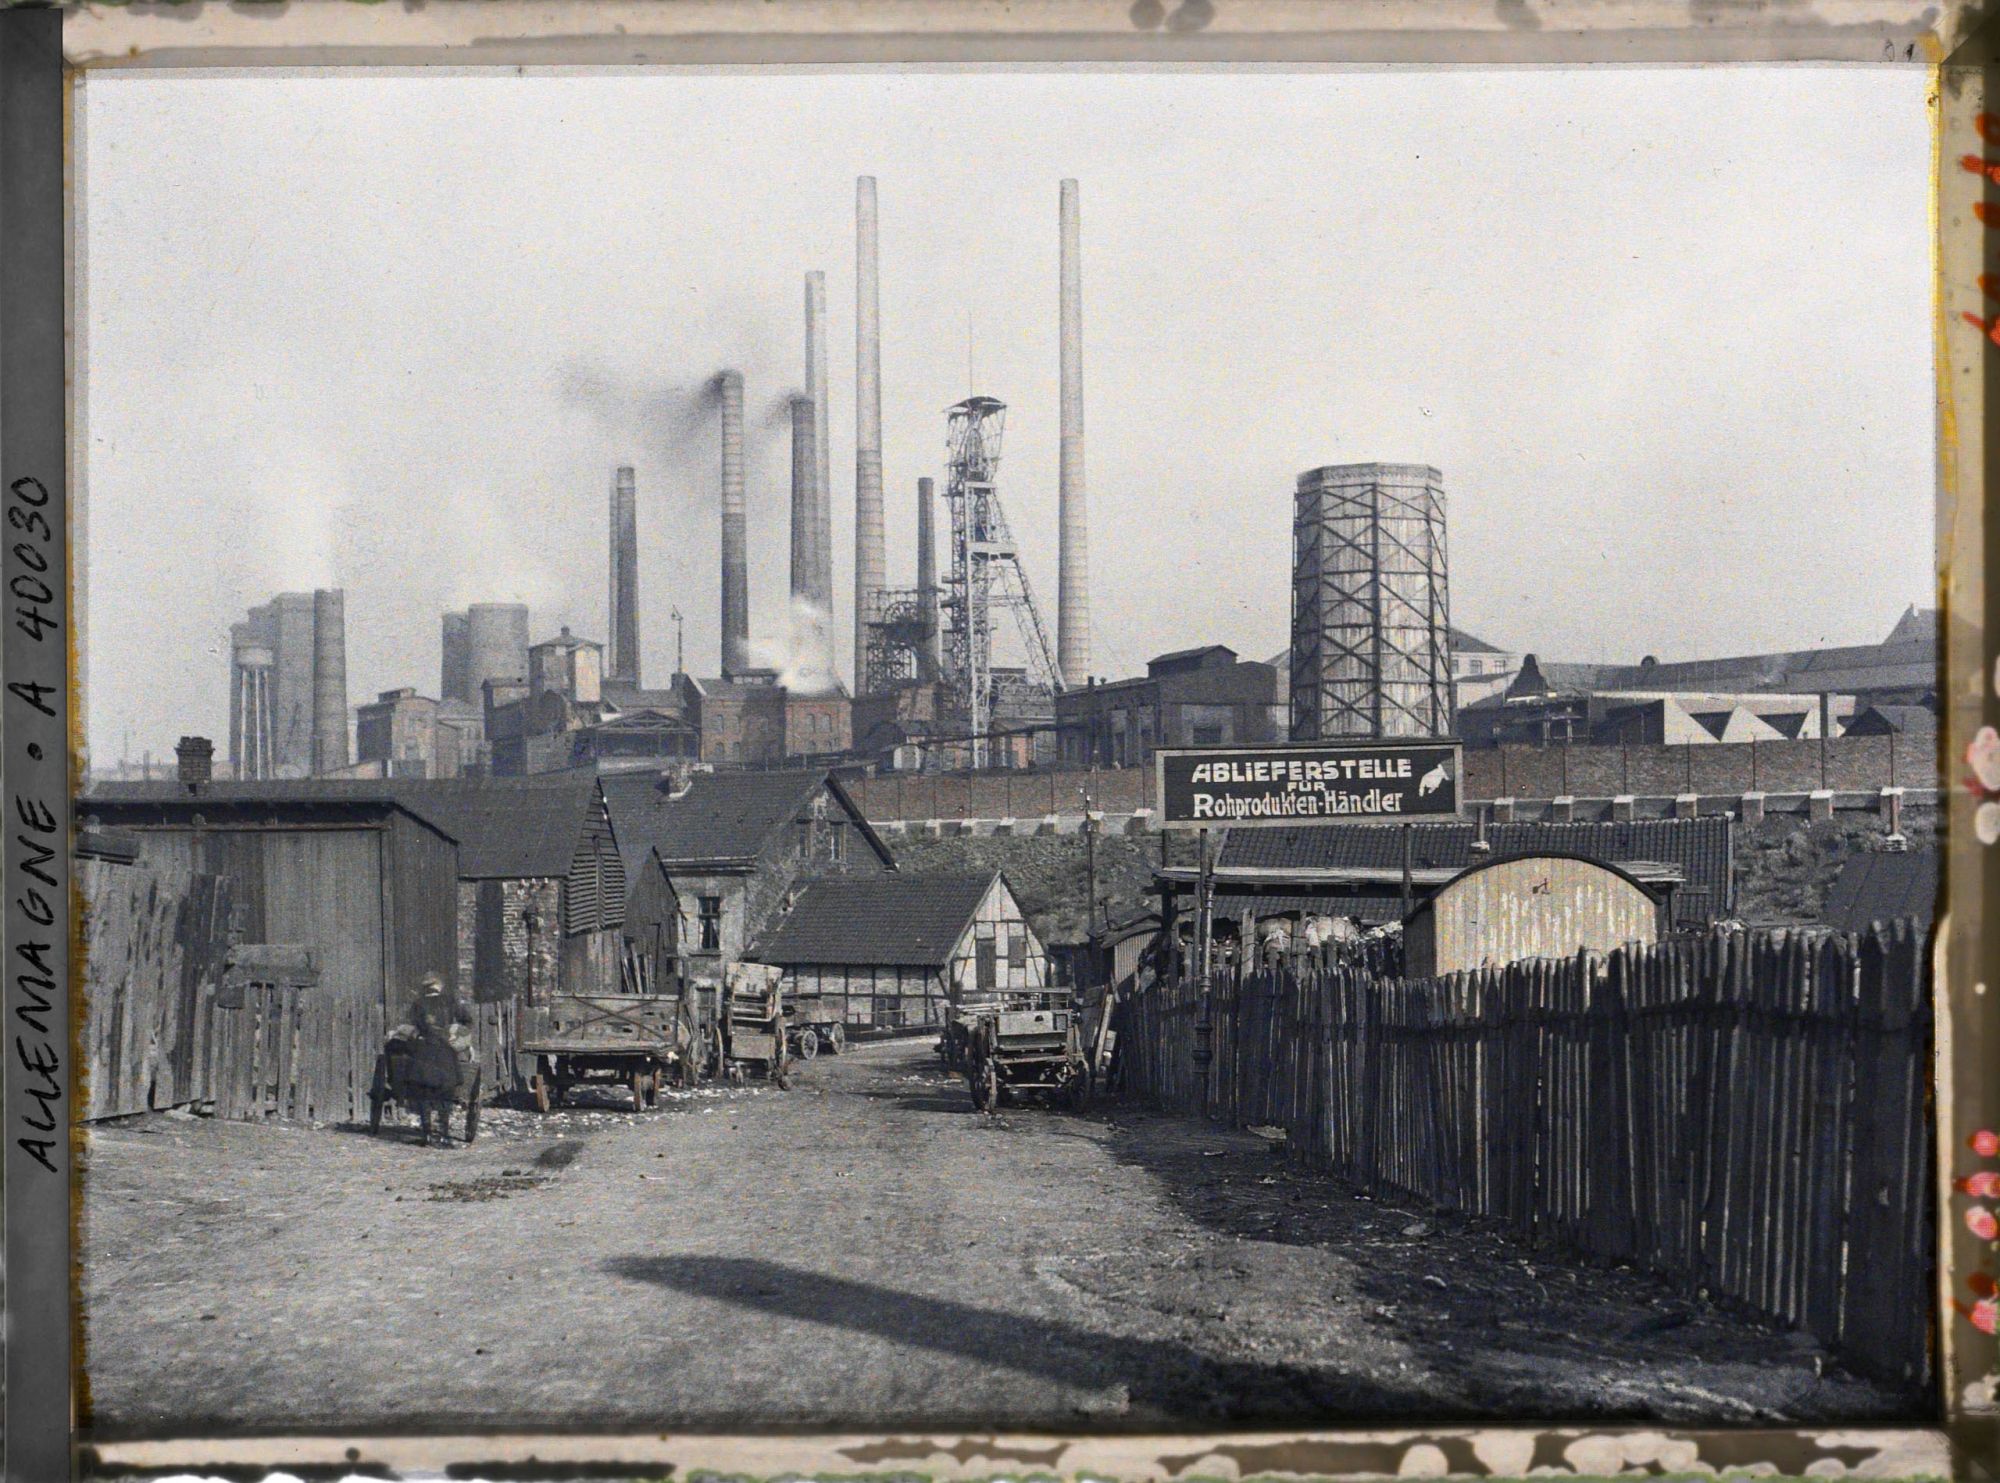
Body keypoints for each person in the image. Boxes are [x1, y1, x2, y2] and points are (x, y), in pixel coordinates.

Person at [389, 972, 472, 1146]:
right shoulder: (450, 1001)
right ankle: (444, 1134)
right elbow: (467, 1021)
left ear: (425, 987)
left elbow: (409, 1026)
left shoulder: (417, 1003)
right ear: (439, 986)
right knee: (446, 1093)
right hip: (445, 1049)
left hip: (423, 1050)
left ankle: (427, 1133)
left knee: (423, 1092)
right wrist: (455, 1033)